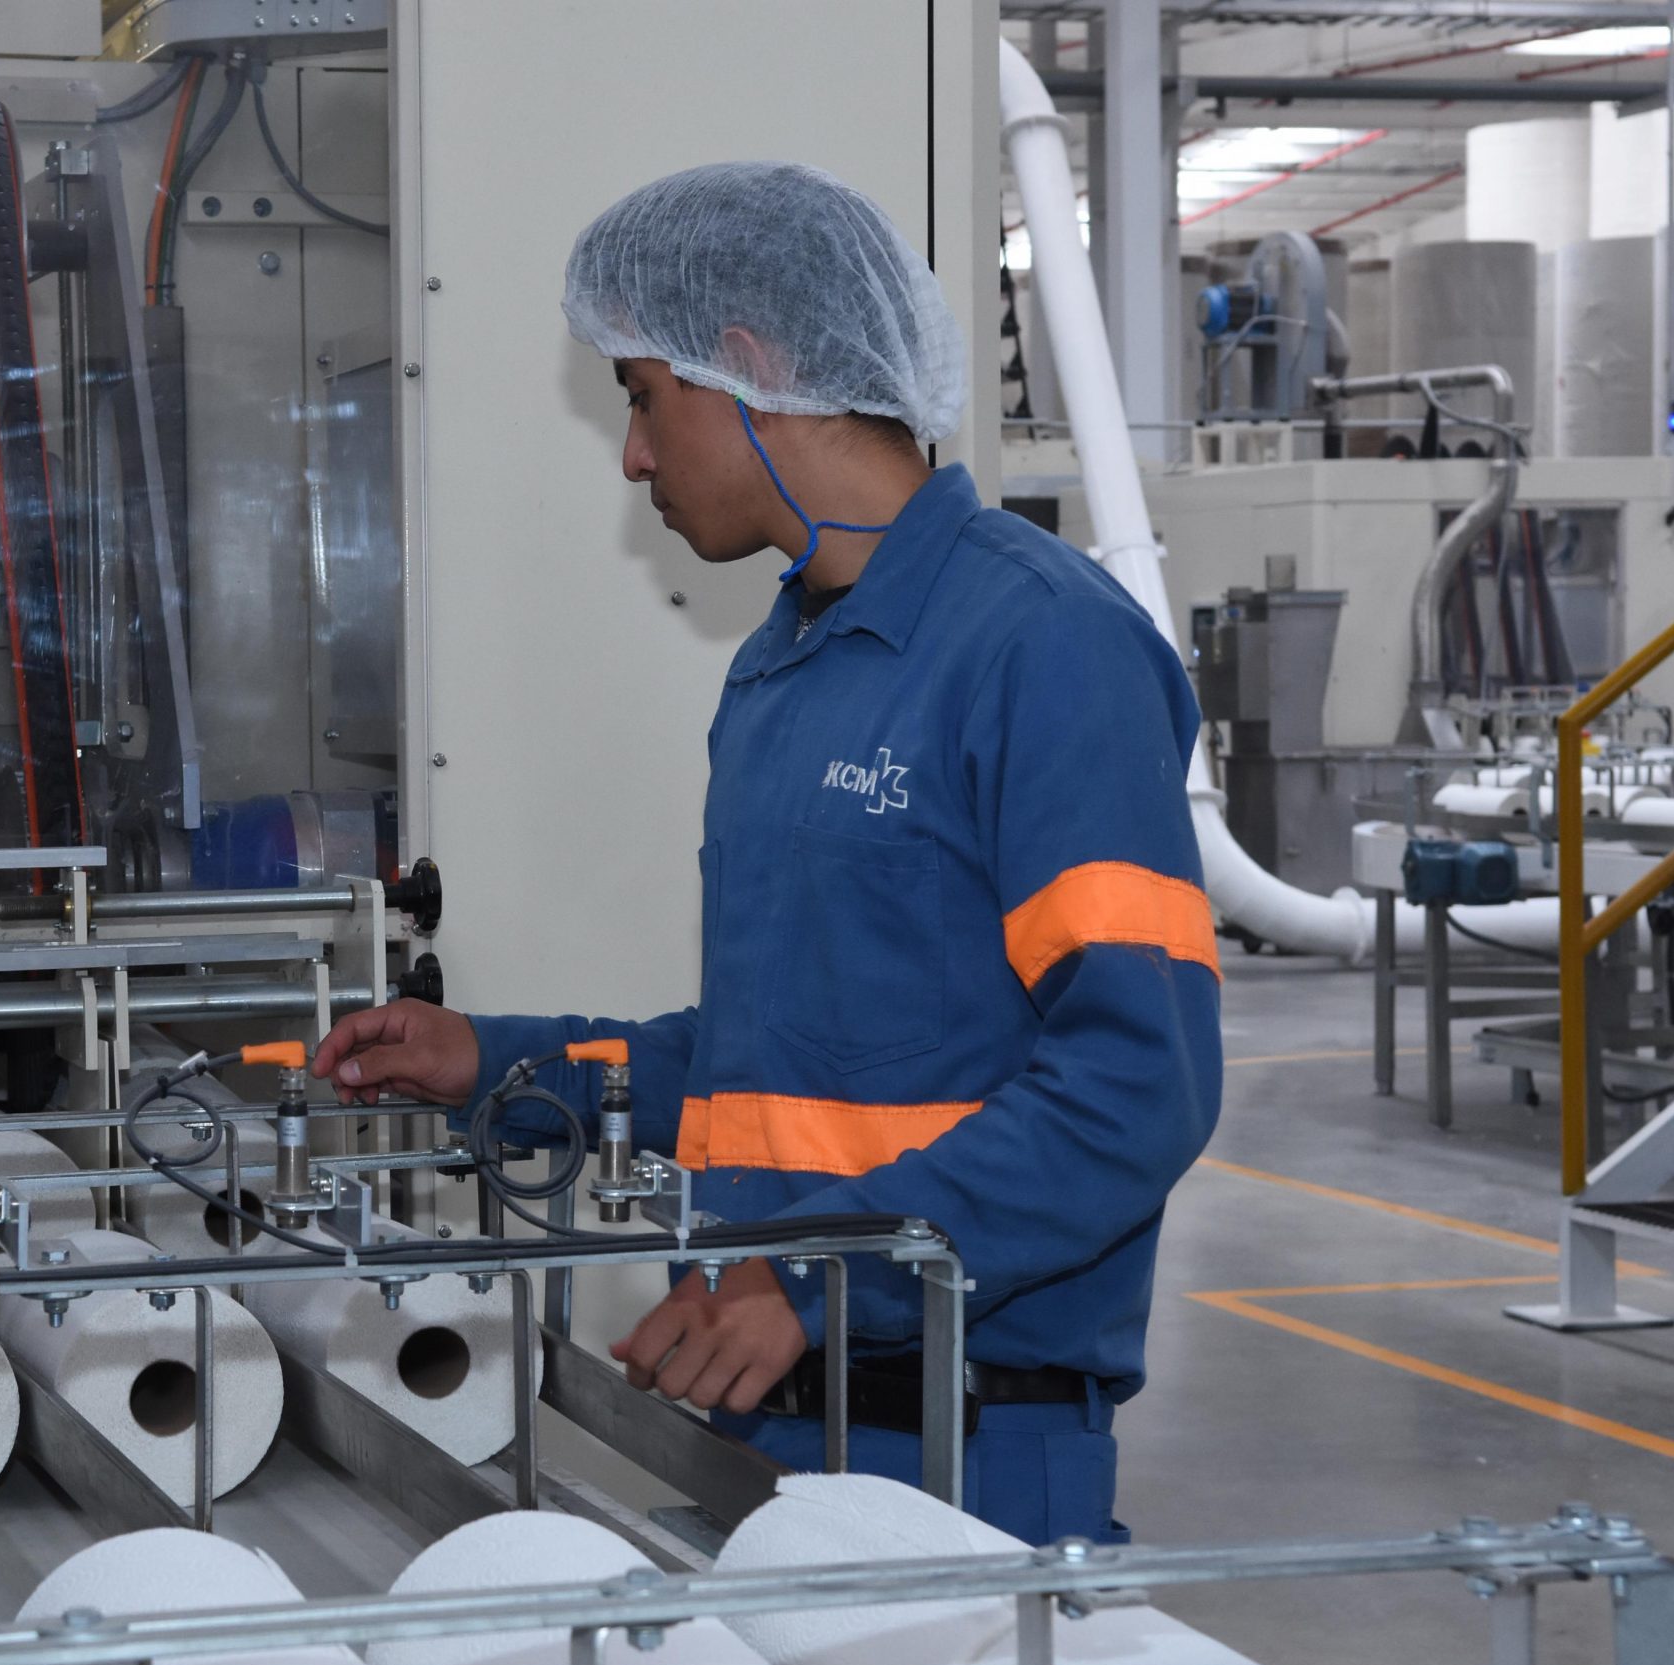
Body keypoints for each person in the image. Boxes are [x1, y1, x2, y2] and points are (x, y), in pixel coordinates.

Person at [311, 161, 1221, 1547]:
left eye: (640, 396)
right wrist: (494, 1064)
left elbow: (1137, 1081)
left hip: (967, 1450)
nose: (633, 454)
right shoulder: (783, 667)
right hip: (769, 1429)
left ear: (749, 367)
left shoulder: (1046, 647)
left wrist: (815, 1280)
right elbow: (772, 1067)